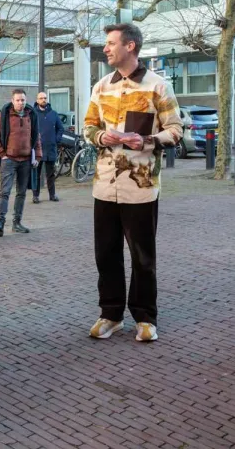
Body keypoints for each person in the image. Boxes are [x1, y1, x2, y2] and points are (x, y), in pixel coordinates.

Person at [84, 23, 183, 343]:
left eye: (111, 43)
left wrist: (149, 141)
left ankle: (145, 317)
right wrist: (101, 136)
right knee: (106, 254)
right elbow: (88, 126)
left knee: (143, 257)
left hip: (140, 187)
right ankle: (111, 315)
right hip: (104, 185)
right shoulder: (101, 86)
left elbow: (176, 130)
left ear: (130, 46)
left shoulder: (158, 86)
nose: (106, 48)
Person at [0, 89, 41, 236]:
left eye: (23, 100)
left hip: (26, 160)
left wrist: (37, 156)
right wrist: (2, 154)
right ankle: (0, 223)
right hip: (9, 160)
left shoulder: (31, 114)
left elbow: (36, 137)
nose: (20, 103)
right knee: (4, 192)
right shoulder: (4, 114)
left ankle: (17, 223)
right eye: (17, 100)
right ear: (12, 100)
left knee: (21, 193)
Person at [32, 91, 64, 204]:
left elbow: (60, 128)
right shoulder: (33, 114)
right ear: (37, 100)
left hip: (50, 148)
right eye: (41, 98)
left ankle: (52, 195)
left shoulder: (53, 114)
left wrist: (56, 140)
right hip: (37, 149)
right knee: (36, 174)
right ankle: (35, 196)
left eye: (45, 98)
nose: (43, 100)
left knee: (51, 174)